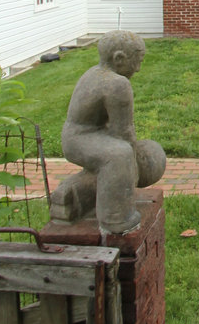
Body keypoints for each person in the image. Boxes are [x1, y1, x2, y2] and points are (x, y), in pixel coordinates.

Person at [61, 30, 155, 234]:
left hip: (76, 135)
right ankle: (116, 217)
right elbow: (123, 131)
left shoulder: (94, 72)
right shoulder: (117, 84)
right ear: (119, 58)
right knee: (119, 155)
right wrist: (133, 167)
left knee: (118, 153)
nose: (138, 69)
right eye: (137, 62)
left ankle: (77, 192)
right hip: (80, 140)